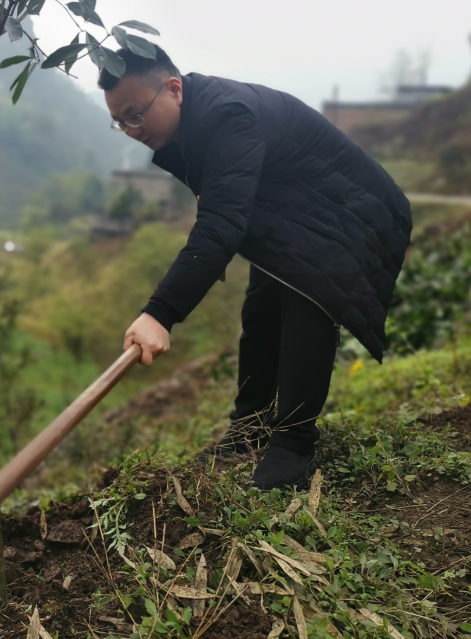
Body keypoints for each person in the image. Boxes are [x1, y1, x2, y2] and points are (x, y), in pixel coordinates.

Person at [99, 46, 411, 491]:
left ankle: (293, 445)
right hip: (292, 213)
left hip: (350, 212)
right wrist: (219, 244)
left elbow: (221, 222)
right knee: (261, 312)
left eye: (136, 115)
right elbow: (221, 194)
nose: (132, 130)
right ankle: (251, 428)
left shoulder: (228, 115)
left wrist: (160, 313)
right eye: (120, 122)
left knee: (308, 298)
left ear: (173, 89)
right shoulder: (192, 117)